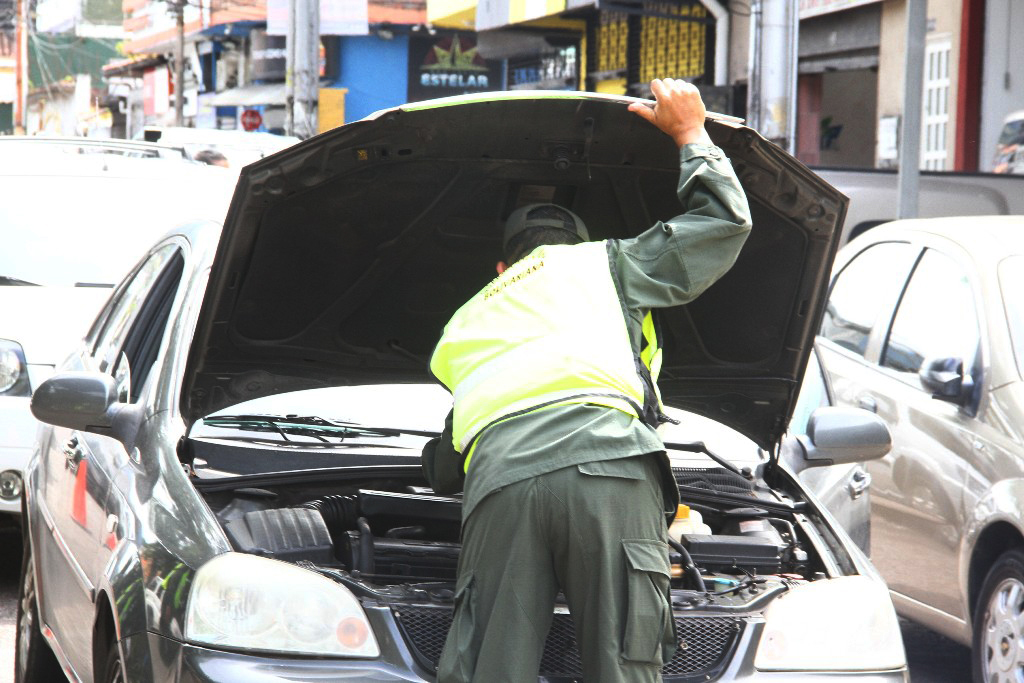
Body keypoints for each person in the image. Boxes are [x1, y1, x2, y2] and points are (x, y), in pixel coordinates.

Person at [426, 78, 753, 683]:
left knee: (489, 668)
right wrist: (690, 133)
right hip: (611, 471)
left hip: (503, 486)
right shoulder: (608, 264)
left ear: (502, 266)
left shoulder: (467, 321)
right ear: (580, 244)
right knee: (626, 665)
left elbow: (447, 463)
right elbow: (724, 222)